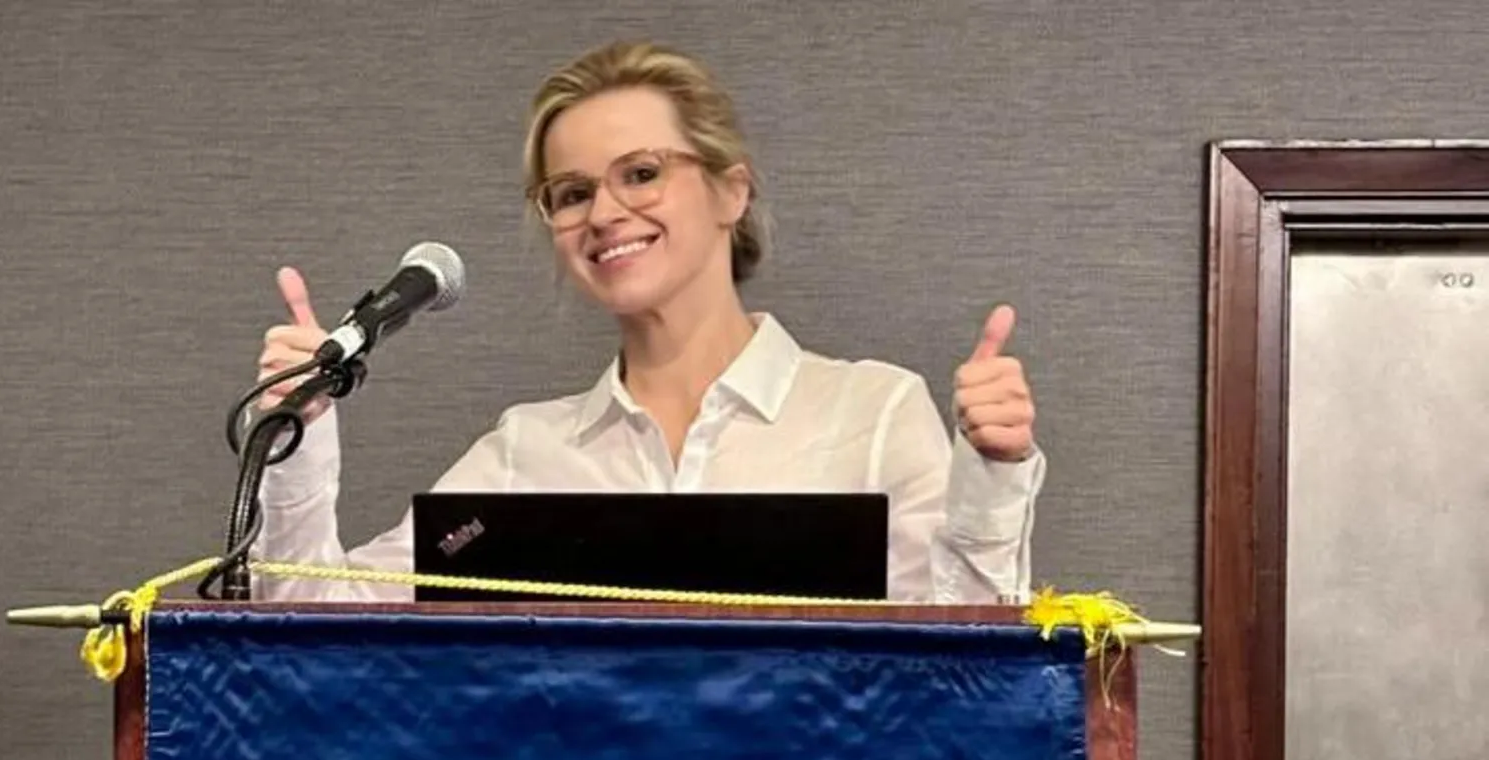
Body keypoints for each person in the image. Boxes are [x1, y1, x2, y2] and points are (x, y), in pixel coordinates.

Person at [252, 40, 1043, 604]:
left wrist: (995, 474)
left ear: (732, 192)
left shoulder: (873, 414)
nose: (605, 212)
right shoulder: (525, 455)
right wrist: (297, 436)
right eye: (570, 192)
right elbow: (318, 631)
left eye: (641, 173)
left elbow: (970, 671)